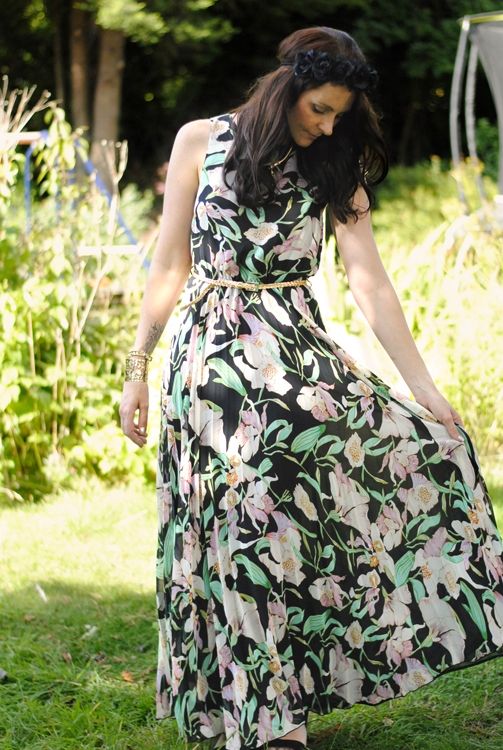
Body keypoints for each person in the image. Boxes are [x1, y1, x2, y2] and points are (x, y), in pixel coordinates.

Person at [119, 25, 503, 750]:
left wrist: (421, 387)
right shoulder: (200, 141)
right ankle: (270, 718)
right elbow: (168, 266)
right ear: (287, 86)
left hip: (294, 360)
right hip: (209, 366)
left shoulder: (334, 162)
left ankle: (281, 703)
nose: (327, 125)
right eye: (320, 108)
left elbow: (369, 280)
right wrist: (137, 370)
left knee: (284, 524)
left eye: (339, 115)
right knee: (235, 527)